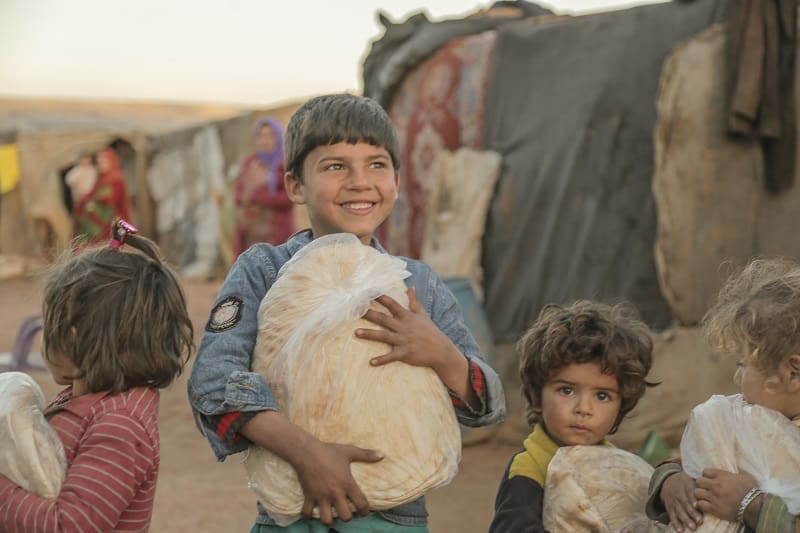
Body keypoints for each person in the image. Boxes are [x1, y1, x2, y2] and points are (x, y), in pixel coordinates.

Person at [187, 93, 506, 532]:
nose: (360, 181)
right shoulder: (265, 272)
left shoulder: (419, 285)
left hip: (396, 517)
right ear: (295, 185)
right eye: (335, 166)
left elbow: (485, 406)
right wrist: (306, 453)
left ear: (396, 178)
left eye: (376, 164)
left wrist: (440, 353)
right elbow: (212, 384)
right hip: (292, 515)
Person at [0, 219, 194, 532]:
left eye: (49, 326)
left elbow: (70, 526)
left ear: (73, 339)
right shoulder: (87, 400)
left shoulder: (119, 425)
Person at [646, 258, 800, 533]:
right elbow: (701, 458)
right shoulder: (749, 422)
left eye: (743, 364)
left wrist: (750, 504)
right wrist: (671, 482)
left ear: (792, 373)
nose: (736, 378)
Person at [489, 300, 656, 532]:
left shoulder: (616, 467)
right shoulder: (529, 468)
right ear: (537, 397)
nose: (583, 408)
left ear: (621, 406)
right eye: (566, 390)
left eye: (602, 396)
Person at [233, 117, 295, 257]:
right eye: (261, 135)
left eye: (270, 135)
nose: (265, 140)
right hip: (249, 233)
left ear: (279, 137)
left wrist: (257, 197)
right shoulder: (250, 162)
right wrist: (242, 198)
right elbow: (238, 192)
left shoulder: (285, 164)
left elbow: (288, 198)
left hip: (276, 233)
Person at [73, 147, 132, 245]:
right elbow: (92, 194)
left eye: (104, 161)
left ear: (111, 161)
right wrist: (84, 199)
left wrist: (94, 200)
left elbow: (111, 200)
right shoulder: (99, 179)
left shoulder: (117, 180)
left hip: (113, 222)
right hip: (100, 223)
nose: (101, 164)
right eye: (99, 161)